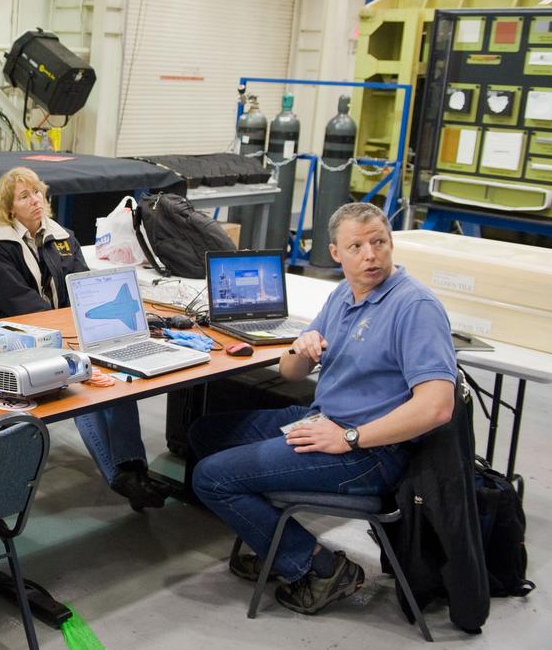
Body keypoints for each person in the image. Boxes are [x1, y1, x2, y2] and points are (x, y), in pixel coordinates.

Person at [189, 202, 457, 615]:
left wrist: (349, 438)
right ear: (336, 253)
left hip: (370, 450)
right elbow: (291, 371)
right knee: (204, 435)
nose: (370, 254)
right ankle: (270, 539)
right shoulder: (344, 294)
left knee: (211, 479)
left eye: (379, 242)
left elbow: (438, 407)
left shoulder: (414, 306)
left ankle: (319, 566)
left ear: (391, 243)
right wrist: (303, 346)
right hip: (324, 421)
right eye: (356, 246)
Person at [0, 167, 166, 511]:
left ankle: (134, 469)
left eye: (37, 192)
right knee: (82, 385)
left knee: (119, 380)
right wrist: (71, 335)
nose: (35, 201)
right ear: (9, 209)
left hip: (67, 334)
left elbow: (83, 284)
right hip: (22, 342)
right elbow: (22, 306)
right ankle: (118, 475)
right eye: (24, 196)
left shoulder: (63, 237)